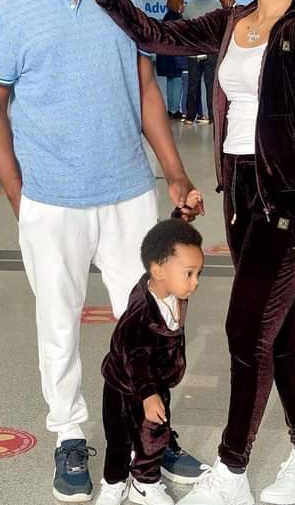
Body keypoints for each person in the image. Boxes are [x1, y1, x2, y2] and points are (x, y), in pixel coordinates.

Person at [53, 0, 295, 505]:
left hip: (288, 202)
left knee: (245, 330)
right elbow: (154, 34)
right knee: (280, 330)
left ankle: (232, 471)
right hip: (241, 195)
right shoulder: (233, 21)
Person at [0, 0, 202, 503]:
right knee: (58, 321)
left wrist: (175, 172)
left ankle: (153, 428)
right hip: (52, 200)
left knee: (153, 317)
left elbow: (146, 89)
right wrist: (20, 196)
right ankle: (70, 435)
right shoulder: (9, 9)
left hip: (128, 190)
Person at [96, 213, 204, 505]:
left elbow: (167, 245)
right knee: (118, 439)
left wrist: (179, 218)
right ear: (158, 271)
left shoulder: (169, 288)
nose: (195, 282)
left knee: (153, 436)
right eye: (189, 274)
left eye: (198, 273)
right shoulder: (140, 313)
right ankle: (114, 482)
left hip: (156, 383)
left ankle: (144, 483)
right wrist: (147, 394)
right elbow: (134, 356)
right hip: (124, 387)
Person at [182, 0, 221, 125]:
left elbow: (185, 26)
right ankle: (212, 117)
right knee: (211, 86)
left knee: (193, 84)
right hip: (211, 51)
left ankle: (190, 117)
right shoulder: (217, 6)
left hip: (194, 51)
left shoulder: (190, 6)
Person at [156, 0, 185, 119]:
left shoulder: (166, 18)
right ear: (177, 5)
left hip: (165, 55)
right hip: (175, 56)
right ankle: (175, 110)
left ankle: (170, 108)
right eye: (182, 3)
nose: (184, 6)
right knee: (177, 82)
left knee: (170, 82)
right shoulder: (178, 19)